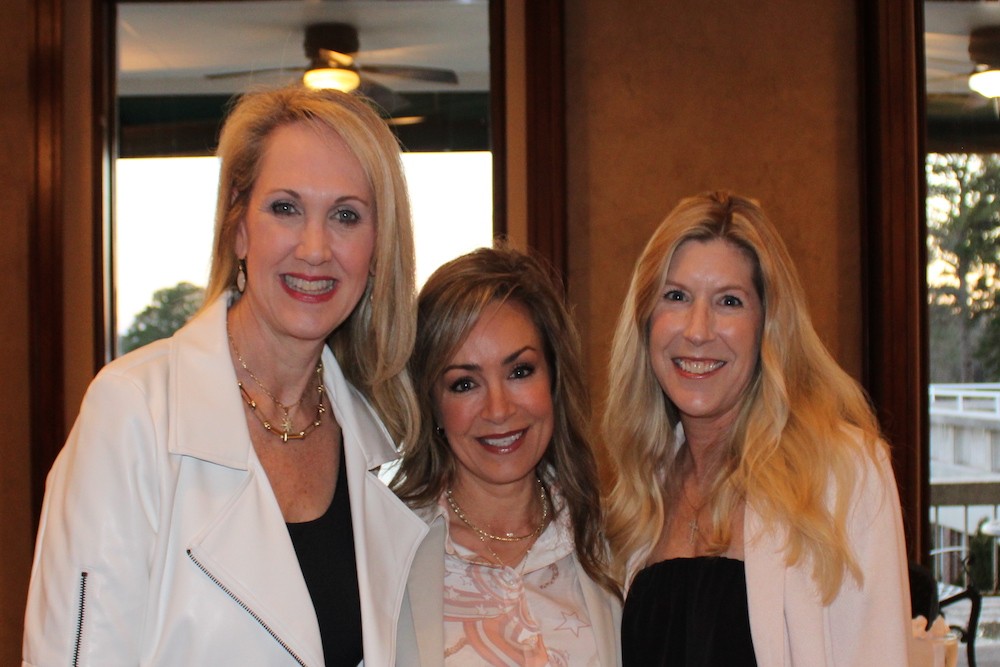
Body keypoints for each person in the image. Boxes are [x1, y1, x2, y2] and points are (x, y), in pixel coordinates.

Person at [23, 85, 429, 666]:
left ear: (377, 246)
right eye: (285, 208)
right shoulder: (133, 412)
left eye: (346, 215)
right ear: (239, 225)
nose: (315, 248)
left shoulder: (378, 439)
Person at [604, 191, 911, 665]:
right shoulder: (639, 496)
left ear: (768, 325)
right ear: (645, 321)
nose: (698, 330)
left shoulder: (841, 473)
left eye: (729, 301)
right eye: (676, 296)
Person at [391, 246, 622, 666]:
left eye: (520, 372)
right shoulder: (388, 551)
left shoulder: (616, 541)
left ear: (554, 379)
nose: (498, 410)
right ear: (432, 404)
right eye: (464, 384)